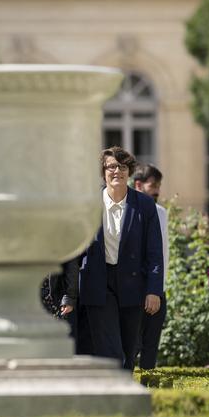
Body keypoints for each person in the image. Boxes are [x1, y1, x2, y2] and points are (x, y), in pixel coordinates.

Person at [79, 147, 163, 370]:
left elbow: (154, 251)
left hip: (133, 284)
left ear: (130, 171)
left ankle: (124, 390)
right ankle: (113, 388)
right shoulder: (89, 204)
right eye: (112, 167)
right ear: (103, 172)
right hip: (98, 283)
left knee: (129, 348)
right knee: (111, 349)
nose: (117, 171)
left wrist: (154, 290)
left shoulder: (144, 205)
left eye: (123, 167)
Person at [131, 164, 170, 369]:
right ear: (138, 185)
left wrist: (158, 289)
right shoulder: (128, 210)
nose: (157, 191)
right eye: (153, 185)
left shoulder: (161, 212)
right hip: (134, 290)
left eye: (159, 186)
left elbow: (163, 253)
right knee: (131, 345)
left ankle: (149, 386)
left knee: (151, 347)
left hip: (157, 290)